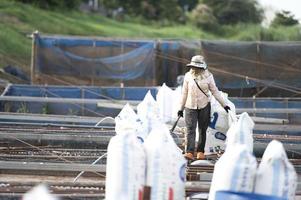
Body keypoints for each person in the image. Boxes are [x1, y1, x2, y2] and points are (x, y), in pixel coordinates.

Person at [178, 55, 230, 160]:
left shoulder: (208, 76)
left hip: (204, 105)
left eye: (197, 67)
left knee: (202, 129)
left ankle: (200, 152)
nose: (195, 69)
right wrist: (181, 108)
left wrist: (224, 105)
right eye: (193, 67)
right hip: (190, 106)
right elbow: (184, 93)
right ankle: (189, 152)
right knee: (190, 129)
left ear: (202, 67)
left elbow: (215, 91)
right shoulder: (188, 76)